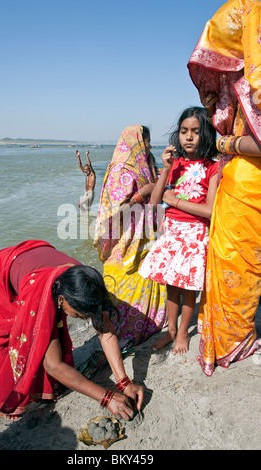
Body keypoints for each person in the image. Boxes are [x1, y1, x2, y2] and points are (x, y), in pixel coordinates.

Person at [0, 240, 143, 419]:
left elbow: (104, 329)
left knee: (49, 335)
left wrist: (124, 382)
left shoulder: (85, 282)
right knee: (21, 336)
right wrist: (106, 397)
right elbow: (53, 365)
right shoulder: (40, 296)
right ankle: (10, 396)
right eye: (80, 315)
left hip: (37, 257)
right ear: (61, 300)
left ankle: (50, 386)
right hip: (2, 271)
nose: (85, 319)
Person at [188, 0, 261, 376]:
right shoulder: (243, 87)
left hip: (248, 184)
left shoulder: (253, 87)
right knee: (236, 264)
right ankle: (234, 335)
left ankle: (233, 339)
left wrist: (224, 145)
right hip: (241, 185)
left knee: (237, 265)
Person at [139, 107, 218, 354]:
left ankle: (183, 331)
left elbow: (209, 210)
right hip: (172, 233)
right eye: (184, 131)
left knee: (188, 288)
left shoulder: (213, 167)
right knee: (171, 284)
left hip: (195, 234)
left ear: (206, 134)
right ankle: (170, 329)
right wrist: (165, 168)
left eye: (195, 131)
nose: (189, 137)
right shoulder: (176, 164)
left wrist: (174, 201)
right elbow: (153, 202)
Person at [93, 125, 167, 351]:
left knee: (144, 277)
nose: (150, 145)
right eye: (147, 141)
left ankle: (144, 323)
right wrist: (141, 194)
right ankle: (121, 331)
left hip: (142, 235)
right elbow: (115, 213)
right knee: (122, 276)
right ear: (135, 142)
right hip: (124, 239)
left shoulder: (142, 166)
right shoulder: (121, 172)